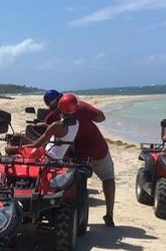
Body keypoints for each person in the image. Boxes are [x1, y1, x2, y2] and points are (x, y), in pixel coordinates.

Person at [44, 93, 116, 227]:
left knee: (76, 184)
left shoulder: (56, 114)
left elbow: (47, 125)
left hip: (77, 155)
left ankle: (75, 215)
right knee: (108, 178)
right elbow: (101, 117)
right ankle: (109, 214)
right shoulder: (81, 106)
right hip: (97, 148)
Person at [5, 93, 79, 160]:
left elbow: (35, 145)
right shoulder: (76, 123)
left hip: (46, 156)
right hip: (58, 157)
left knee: (8, 152)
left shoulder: (57, 125)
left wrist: (16, 149)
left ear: (59, 106)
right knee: (20, 137)